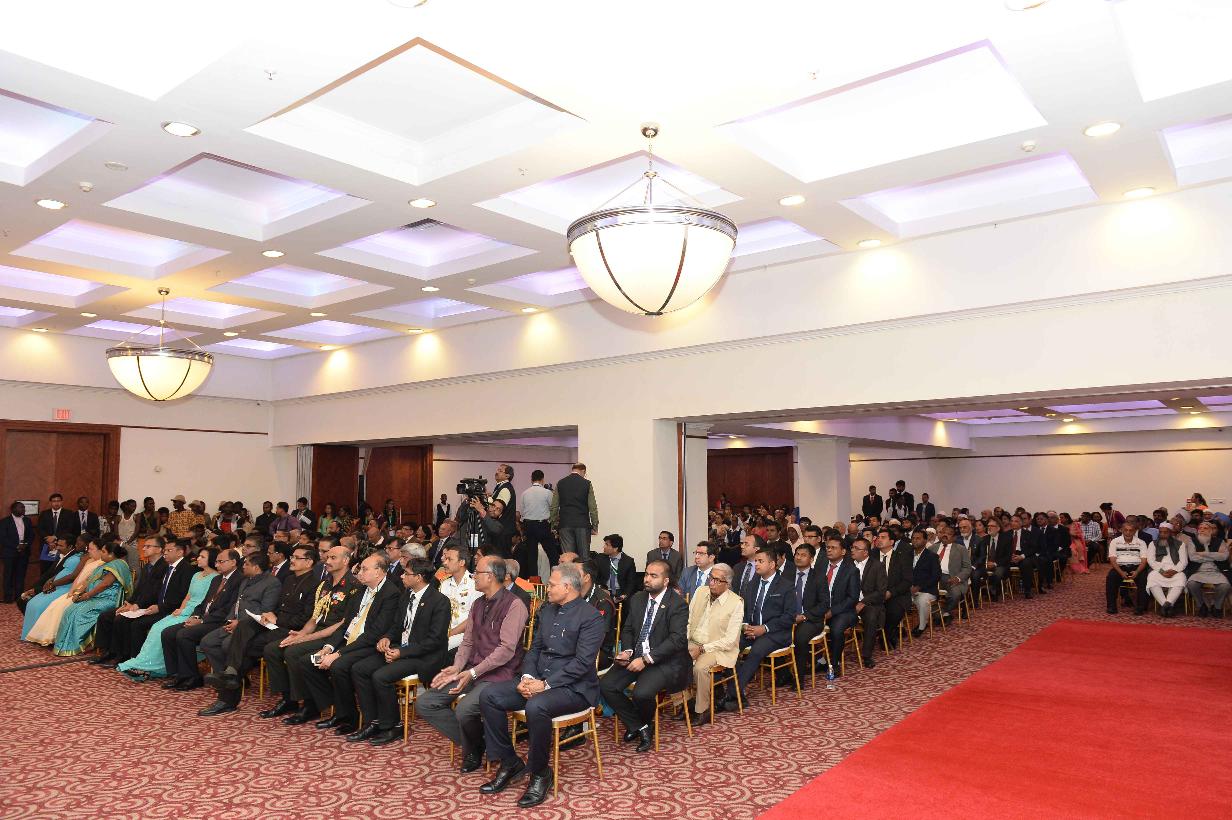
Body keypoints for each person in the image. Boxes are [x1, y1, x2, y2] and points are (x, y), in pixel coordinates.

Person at [477, 563, 604, 808]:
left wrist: (544, 685)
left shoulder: (591, 617)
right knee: (489, 695)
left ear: (567, 587)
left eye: (552, 584)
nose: (547, 588)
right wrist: (527, 677)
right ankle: (510, 762)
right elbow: (534, 649)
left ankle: (540, 773)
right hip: (537, 680)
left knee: (536, 707)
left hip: (574, 689)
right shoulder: (547, 610)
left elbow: (582, 663)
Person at [418, 555, 529, 769]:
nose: (473, 576)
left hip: (500, 675)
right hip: (471, 670)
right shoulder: (478, 603)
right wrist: (457, 667)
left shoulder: (514, 605)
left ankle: (474, 747)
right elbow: (467, 642)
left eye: (477, 572)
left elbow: (506, 651)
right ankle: (478, 742)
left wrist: (473, 672)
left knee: (464, 709)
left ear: (491, 576)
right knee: (426, 703)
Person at [200, 546, 320, 714]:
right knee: (244, 625)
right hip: (274, 624)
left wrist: (277, 619)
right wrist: (266, 616)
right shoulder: (289, 579)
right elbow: (278, 607)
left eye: (297, 558)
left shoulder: (315, 584)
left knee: (244, 648)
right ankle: (230, 675)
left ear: (309, 562)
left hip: (292, 630)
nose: (291, 560)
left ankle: (229, 692)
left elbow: (306, 618)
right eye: (292, 556)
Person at [350, 557, 451, 746]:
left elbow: (434, 640)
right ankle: (373, 721)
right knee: (360, 669)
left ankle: (393, 726)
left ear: (419, 577)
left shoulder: (439, 601)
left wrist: (402, 653)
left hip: (425, 656)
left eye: (406, 573)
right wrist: (387, 638)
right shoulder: (406, 595)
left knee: (381, 676)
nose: (402, 576)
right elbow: (397, 626)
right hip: (400, 649)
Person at [298, 553, 401, 734]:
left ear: (378, 572)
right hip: (350, 639)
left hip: (370, 644)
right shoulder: (360, 590)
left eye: (364, 569)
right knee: (308, 661)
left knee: (339, 665)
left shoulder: (391, 593)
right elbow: (346, 624)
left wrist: (338, 654)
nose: (359, 573)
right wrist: (328, 648)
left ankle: (351, 717)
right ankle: (338, 710)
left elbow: (375, 633)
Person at [600, 559, 690, 752]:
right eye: (647, 574)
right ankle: (640, 726)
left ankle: (643, 724)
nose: (647, 579)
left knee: (641, 694)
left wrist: (646, 659)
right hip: (636, 655)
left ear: (666, 581)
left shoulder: (677, 604)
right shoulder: (638, 598)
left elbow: (676, 640)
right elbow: (628, 629)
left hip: (664, 660)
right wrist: (628, 651)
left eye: (653, 576)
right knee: (607, 686)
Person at [263, 544, 360, 721]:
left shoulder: (354, 586)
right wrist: (301, 634)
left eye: (333, 558)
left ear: (346, 561)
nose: (327, 561)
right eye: (327, 557)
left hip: (336, 636)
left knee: (293, 652)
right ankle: (289, 699)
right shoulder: (324, 584)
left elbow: (343, 624)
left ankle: (310, 704)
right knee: (273, 649)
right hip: (318, 631)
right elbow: (315, 618)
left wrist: (306, 638)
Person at [117, 547, 218, 680]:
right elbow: (188, 596)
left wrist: (190, 613)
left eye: (203, 557)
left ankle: (152, 666)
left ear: (212, 559)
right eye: (199, 556)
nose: (198, 558)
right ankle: (144, 663)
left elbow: (207, 601)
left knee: (164, 630)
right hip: (184, 610)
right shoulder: (196, 575)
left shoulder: (216, 578)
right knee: (156, 627)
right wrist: (181, 609)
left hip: (196, 612)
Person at [160, 548, 243, 691]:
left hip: (218, 621)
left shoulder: (239, 580)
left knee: (184, 635)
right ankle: (177, 674)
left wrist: (202, 620)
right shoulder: (217, 579)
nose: (216, 565)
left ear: (233, 562)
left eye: (221, 562)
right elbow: (204, 602)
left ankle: (192, 677)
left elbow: (228, 609)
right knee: (167, 633)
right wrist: (196, 615)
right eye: (216, 562)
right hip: (204, 618)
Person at [109, 539, 196, 666]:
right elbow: (152, 590)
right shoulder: (169, 567)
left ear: (180, 552)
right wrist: (134, 603)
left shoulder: (186, 570)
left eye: (169, 550)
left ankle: (138, 661)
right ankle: (125, 656)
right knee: (125, 618)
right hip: (159, 606)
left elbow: (181, 596)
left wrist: (159, 607)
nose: (165, 553)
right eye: (165, 550)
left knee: (137, 624)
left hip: (172, 610)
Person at [727, 544, 794, 707]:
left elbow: (789, 617)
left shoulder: (786, 585)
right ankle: (735, 690)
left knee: (756, 651)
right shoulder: (753, 583)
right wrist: (745, 626)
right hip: (752, 629)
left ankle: (732, 693)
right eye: (756, 561)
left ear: (772, 564)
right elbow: (744, 609)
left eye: (760, 561)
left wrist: (764, 628)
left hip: (777, 632)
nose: (756, 564)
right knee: (730, 646)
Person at [52, 541, 133, 655]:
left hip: (109, 599)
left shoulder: (117, 565)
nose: (101, 554)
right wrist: (80, 592)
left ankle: (81, 644)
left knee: (80, 612)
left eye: (103, 552)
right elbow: (89, 581)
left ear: (111, 554)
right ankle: (65, 645)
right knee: (70, 610)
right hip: (96, 597)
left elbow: (105, 584)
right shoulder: (105, 564)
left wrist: (87, 595)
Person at [684, 562, 741, 719]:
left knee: (699, 668)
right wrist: (684, 642)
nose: (711, 583)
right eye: (710, 578)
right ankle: (685, 703)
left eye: (717, 580)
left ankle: (703, 710)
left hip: (717, 648)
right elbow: (688, 620)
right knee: (670, 659)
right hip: (693, 641)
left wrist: (702, 649)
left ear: (727, 583)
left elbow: (730, 640)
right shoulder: (700, 592)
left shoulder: (736, 602)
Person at [797, 537, 859, 679]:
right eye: (828, 548)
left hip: (842, 610)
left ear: (843, 551)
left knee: (836, 629)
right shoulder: (820, 566)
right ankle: (818, 660)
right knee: (801, 628)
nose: (829, 550)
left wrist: (832, 611)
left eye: (833, 548)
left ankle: (834, 664)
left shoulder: (851, 570)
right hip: (820, 608)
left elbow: (852, 598)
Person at [25, 536, 105, 644]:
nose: (88, 551)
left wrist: (77, 592)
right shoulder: (89, 560)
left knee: (60, 608)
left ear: (100, 550)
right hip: (73, 590)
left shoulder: (101, 563)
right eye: (88, 548)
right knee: (54, 605)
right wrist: (72, 590)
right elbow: (78, 577)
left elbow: (87, 581)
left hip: (83, 592)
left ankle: (56, 638)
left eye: (91, 549)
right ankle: (42, 636)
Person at [19, 537, 83, 636]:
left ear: (70, 547)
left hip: (63, 587)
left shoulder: (77, 557)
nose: (57, 548)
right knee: (27, 602)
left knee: (38, 605)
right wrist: (34, 587)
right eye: (57, 545)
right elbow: (48, 574)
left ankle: (40, 633)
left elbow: (71, 577)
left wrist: (42, 588)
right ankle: (31, 631)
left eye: (61, 546)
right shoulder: (60, 555)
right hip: (52, 585)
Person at [439, 545, 483, 658]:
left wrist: (449, 633)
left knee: (438, 646)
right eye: (445, 559)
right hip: (444, 630)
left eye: (449, 559)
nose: (445, 562)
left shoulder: (475, 584)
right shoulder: (444, 584)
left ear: (462, 562)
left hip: (465, 633)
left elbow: (473, 618)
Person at [851, 538, 887, 667]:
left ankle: (867, 655)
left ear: (865, 552)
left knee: (871, 617)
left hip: (869, 603)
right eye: (852, 547)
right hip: (849, 602)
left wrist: (863, 602)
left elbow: (881, 591)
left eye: (856, 548)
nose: (852, 550)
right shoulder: (847, 564)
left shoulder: (877, 566)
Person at [550, 463, 599, 557]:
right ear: (583, 471)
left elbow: (554, 506)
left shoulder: (560, 483)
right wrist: (594, 526)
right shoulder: (587, 483)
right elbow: (593, 507)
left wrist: (554, 525)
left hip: (565, 525)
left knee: (568, 558)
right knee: (584, 557)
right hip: (582, 525)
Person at [876, 529, 913, 646]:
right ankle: (884, 634)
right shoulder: (872, 556)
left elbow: (907, 581)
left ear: (891, 542)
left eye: (883, 537)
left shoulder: (902, 557)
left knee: (893, 611)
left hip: (896, 594)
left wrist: (890, 592)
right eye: (878, 537)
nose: (879, 540)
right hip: (875, 594)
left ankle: (886, 634)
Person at [1186, 521, 1229, 617]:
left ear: (1211, 531)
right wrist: (1216, 555)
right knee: (1191, 584)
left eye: (1205, 528)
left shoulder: (1220, 541)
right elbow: (1193, 557)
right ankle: (1202, 605)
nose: (1202, 530)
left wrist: (1204, 554)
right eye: (1200, 528)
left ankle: (1216, 606)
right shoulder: (1192, 541)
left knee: (1225, 586)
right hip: (1198, 571)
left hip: (1216, 571)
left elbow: (1224, 556)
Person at [1145, 523, 1187, 617]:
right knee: (1151, 578)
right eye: (1160, 532)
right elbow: (1151, 560)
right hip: (1158, 570)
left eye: (1165, 532)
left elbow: (1183, 561)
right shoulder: (1153, 544)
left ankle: (1166, 606)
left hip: (1175, 570)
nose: (1162, 535)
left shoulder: (1180, 544)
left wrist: (1174, 571)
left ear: (1171, 533)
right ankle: (1167, 605)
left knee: (1181, 579)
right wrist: (1161, 571)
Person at [1106, 521, 1148, 615]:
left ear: (1134, 531)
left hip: (1137, 567)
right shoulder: (1115, 541)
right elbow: (1112, 560)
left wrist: (1137, 572)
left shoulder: (1141, 543)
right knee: (1111, 577)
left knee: (1144, 579)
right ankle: (1111, 606)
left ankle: (1140, 607)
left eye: (1131, 530)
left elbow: (1144, 561)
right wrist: (1121, 572)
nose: (1128, 532)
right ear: (1121, 530)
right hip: (1120, 567)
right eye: (1126, 530)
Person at [520, 470, 557, 573]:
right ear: (542, 479)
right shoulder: (547, 492)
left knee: (532, 557)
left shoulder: (525, 493)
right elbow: (553, 508)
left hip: (529, 525)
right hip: (543, 525)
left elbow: (522, 512)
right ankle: (555, 577)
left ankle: (534, 581)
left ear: (531, 479)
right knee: (552, 554)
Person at [932, 526, 971, 623]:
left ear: (954, 538)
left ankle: (942, 612)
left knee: (955, 594)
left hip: (951, 577)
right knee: (927, 593)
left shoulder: (961, 549)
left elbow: (967, 568)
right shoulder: (932, 548)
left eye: (949, 534)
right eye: (943, 532)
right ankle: (943, 615)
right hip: (933, 578)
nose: (945, 535)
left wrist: (958, 578)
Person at [1, 501, 36, 604]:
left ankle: (18, 597)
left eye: (24, 507)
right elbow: (3, 538)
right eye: (21, 507)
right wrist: (16, 546)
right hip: (9, 553)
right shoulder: (4, 521)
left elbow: (31, 535)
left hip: (24, 553)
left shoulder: (27, 520)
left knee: (20, 576)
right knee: (8, 575)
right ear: (13, 509)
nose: (23, 509)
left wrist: (25, 545)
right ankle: (8, 597)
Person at [909, 530, 942, 637]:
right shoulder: (907, 555)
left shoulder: (932, 556)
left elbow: (936, 576)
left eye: (918, 538)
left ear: (925, 540)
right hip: (908, 589)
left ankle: (922, 626)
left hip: (927, 589)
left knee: (922, 600)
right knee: (895, 600)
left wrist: (919, 587)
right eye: (913, 538)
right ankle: (896, 628)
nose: (915, 540)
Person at [597, 533, 636, 603]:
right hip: (604, 590)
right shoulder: (600, 558)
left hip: (621, 592)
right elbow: (595, 577)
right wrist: (601, 589)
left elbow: (631, 582)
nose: (604, 547)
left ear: (615, 548)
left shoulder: (628, 561)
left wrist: (625, 595)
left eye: (607, 545)